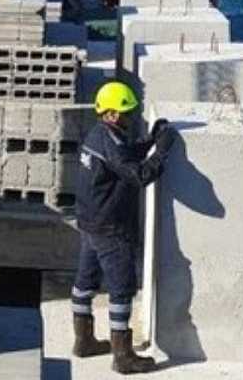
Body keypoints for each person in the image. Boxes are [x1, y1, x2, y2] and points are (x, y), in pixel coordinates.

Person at [72, 81, 176, 374]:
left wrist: (149, 140)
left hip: (90, 224)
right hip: (110, 229)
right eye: (128, 113)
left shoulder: (97, 135)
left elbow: (124, 154)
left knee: (85, 283)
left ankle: (84, 341)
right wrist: (162, 151)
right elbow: (139, 174)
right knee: (121, 291)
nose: (131, 118)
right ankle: (123, 356)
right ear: (114, 115)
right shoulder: (112, 143)